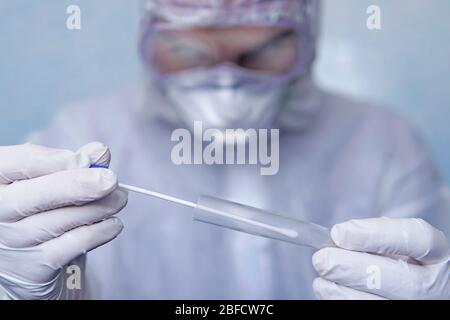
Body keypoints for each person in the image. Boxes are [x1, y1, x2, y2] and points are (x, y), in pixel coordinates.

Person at [0, 0, 448, 300]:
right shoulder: (79, 133)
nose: (226, 81)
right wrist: (20, 287)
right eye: (188, 50)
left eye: (259, 52)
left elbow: (420, 264)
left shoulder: (383, 141)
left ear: (308, 39)